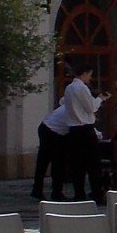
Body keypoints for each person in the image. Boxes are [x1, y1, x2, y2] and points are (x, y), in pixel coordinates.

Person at [57, 66, 103, 205]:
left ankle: (79, 193)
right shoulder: (81, 87)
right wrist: (100, 99)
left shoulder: (69, 88)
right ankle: (96, 193)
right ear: (85, 73)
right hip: (85, 129)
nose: (90, 78)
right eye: (89, 75)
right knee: (93, 163)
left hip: (73, 130)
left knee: (77, 164)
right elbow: (91, 107)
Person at [32, 60, 70, 200]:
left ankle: (40, 190)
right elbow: (78, 124)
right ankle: (54, 192)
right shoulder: (73, 109)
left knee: (46, 161)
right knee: (55, 162)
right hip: (50, 131)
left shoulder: (69, 105)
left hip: (48, 128)